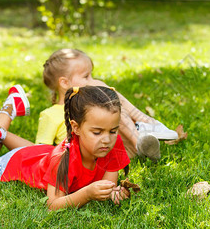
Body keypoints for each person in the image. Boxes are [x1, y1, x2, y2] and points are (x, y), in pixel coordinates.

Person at [0, 86, 131, 210]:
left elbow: (108, 185)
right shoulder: (63, 158)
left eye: (113, 131)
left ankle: (1, 133)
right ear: (75, 128)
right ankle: (6, 113)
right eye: (97, 132)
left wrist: (113, 193)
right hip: (17, 162)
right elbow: (53, 204)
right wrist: (87, 194)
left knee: (20, 147)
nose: (107, 139)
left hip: (40, 154)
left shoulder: (113, 144)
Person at [39, 49, 179, 160]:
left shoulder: (91, 107)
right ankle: (141, 131)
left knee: (108, 102)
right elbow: (41, 150)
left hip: (108, 150)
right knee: (103, 93)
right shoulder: (50, 115)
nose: (92, 80)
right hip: (83, 156)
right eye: (86, 76)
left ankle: (140, 136)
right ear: (64, 83)